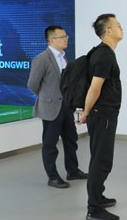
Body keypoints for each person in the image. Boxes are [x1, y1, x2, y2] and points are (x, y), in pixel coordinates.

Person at [27, 25, 87, 188]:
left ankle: (72, 171)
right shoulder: (41, 59)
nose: (66, 39)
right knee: (50, 144)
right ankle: (52, 177)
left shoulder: (64, 57)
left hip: (66, 106)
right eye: (62, 37)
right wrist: (46, 97)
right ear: (52, 40)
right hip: (51, 107)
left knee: (71, 140)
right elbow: (32, 84)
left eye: (66, 36)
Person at [78, 14, 123, 220]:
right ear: (108, 31)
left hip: (104, 114)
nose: (121, 28)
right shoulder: (104, 55)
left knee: (101, 157)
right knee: (101, 160)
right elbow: (95, 88)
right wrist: (86, 112)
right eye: (118, 25)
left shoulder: (103, 52)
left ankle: (99, 196)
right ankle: (94, 209)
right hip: (102, 114)